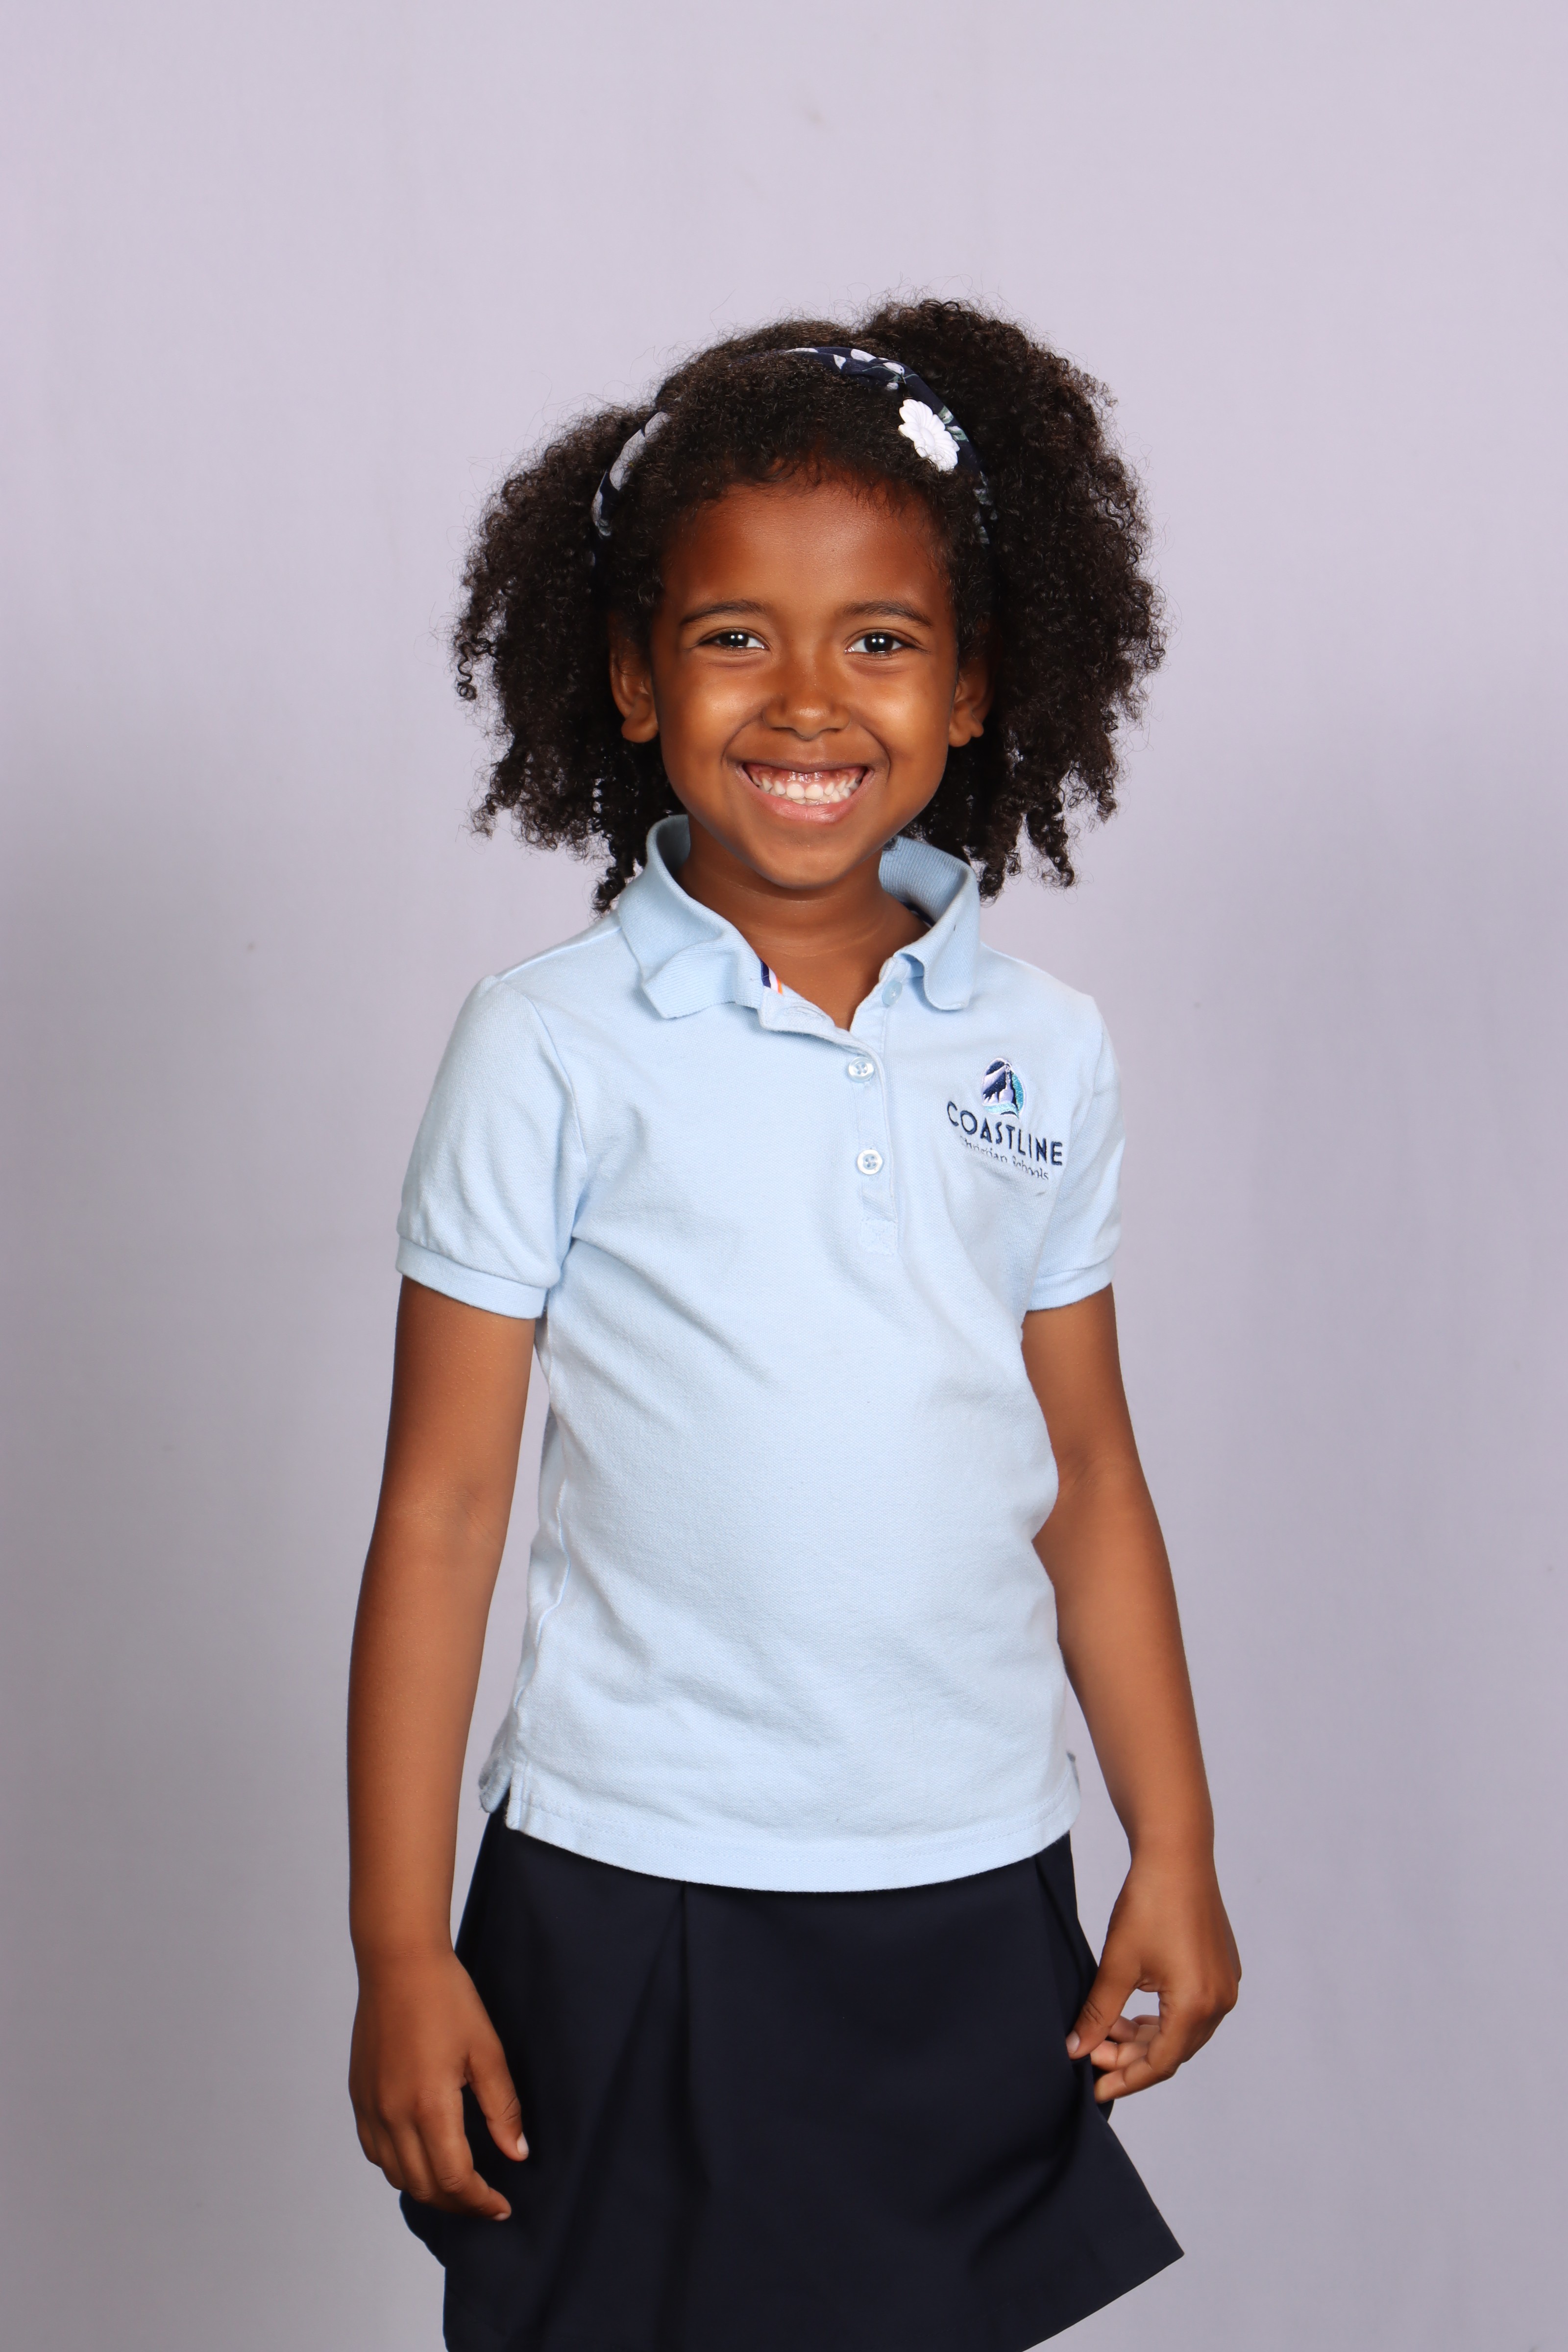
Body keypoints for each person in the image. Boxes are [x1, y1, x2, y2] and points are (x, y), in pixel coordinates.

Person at [347, 301, 1241, 2352]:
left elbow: (1087, 1474)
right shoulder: (548, 1046)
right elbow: (444, 1513)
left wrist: (1173, 1839)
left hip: (966, 1878)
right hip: (631, 1877)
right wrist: (400, 1945)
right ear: (634, 675)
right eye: (737, 635)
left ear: (973, 682)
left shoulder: (1044, 1046)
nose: (810, 698)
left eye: (882, 638)